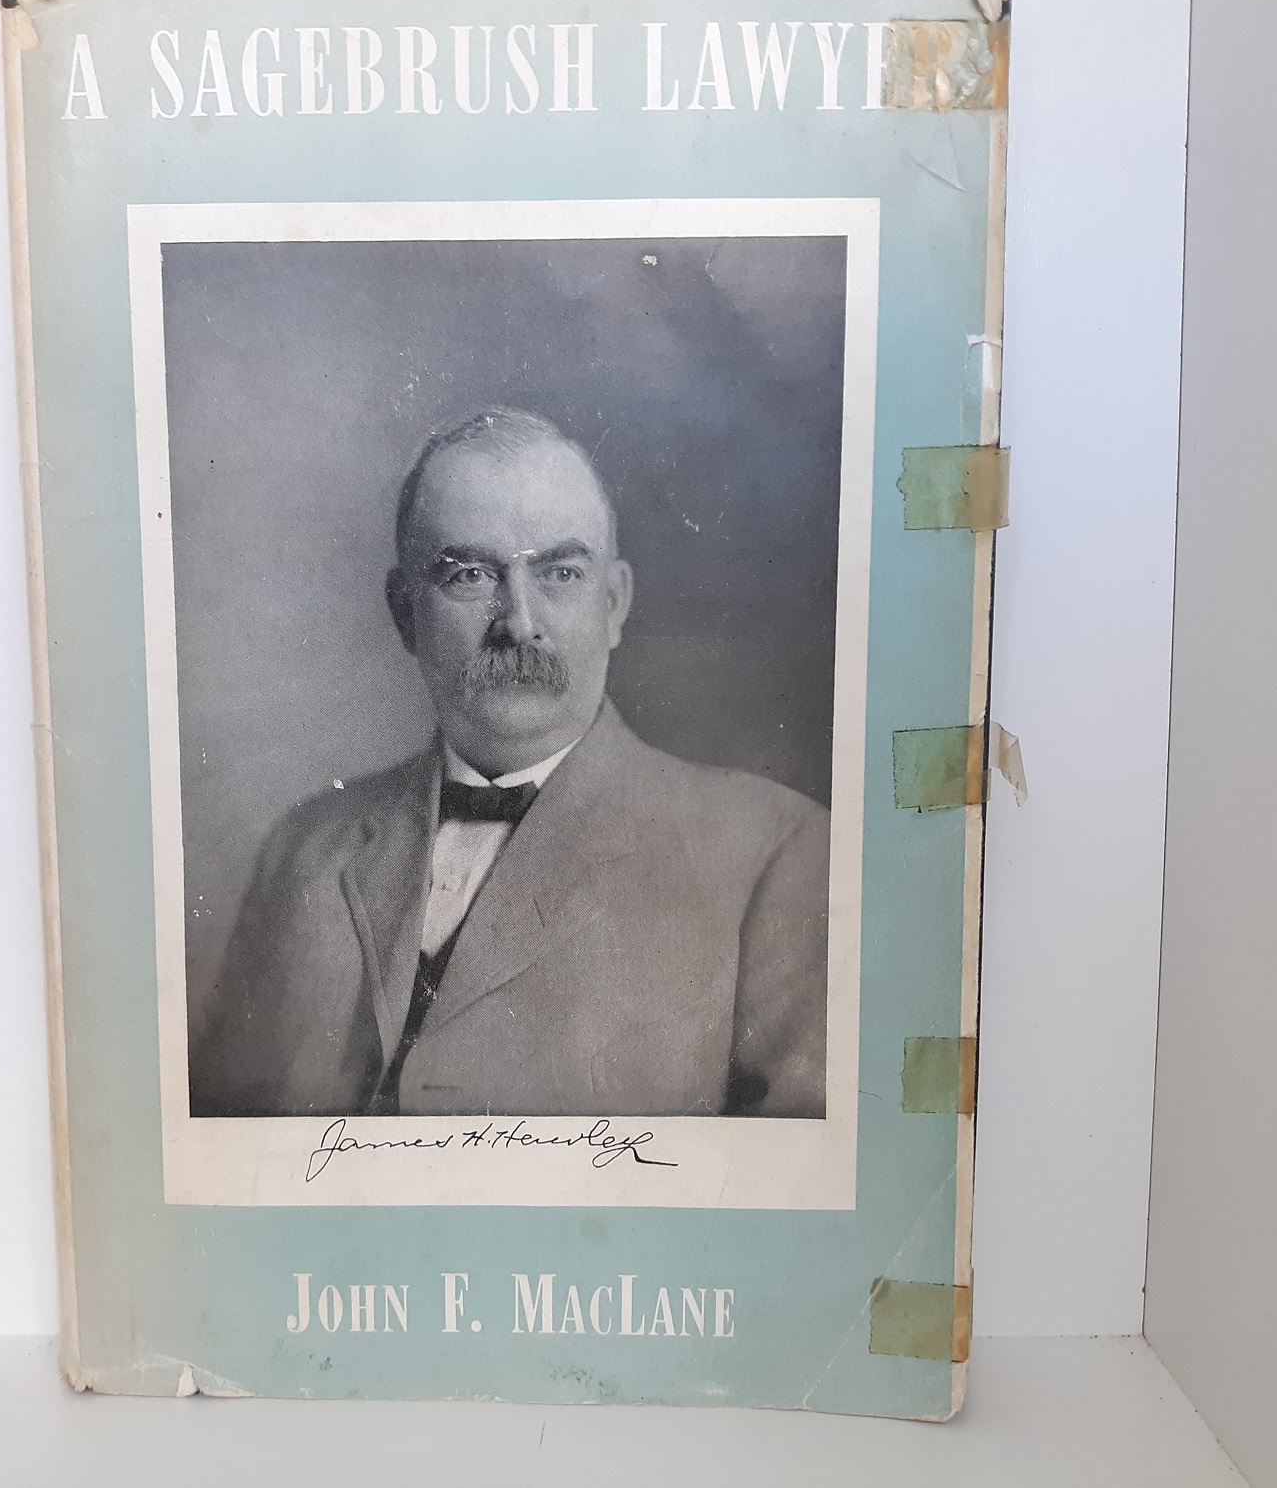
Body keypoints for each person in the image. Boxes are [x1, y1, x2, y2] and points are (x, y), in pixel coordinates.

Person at [190, 408, 829, 1119]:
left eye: (560, 573)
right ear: (405, 612)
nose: (519, 622)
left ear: (614, 603)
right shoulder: (303, 850)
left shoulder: (775, 853)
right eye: (470, 575)